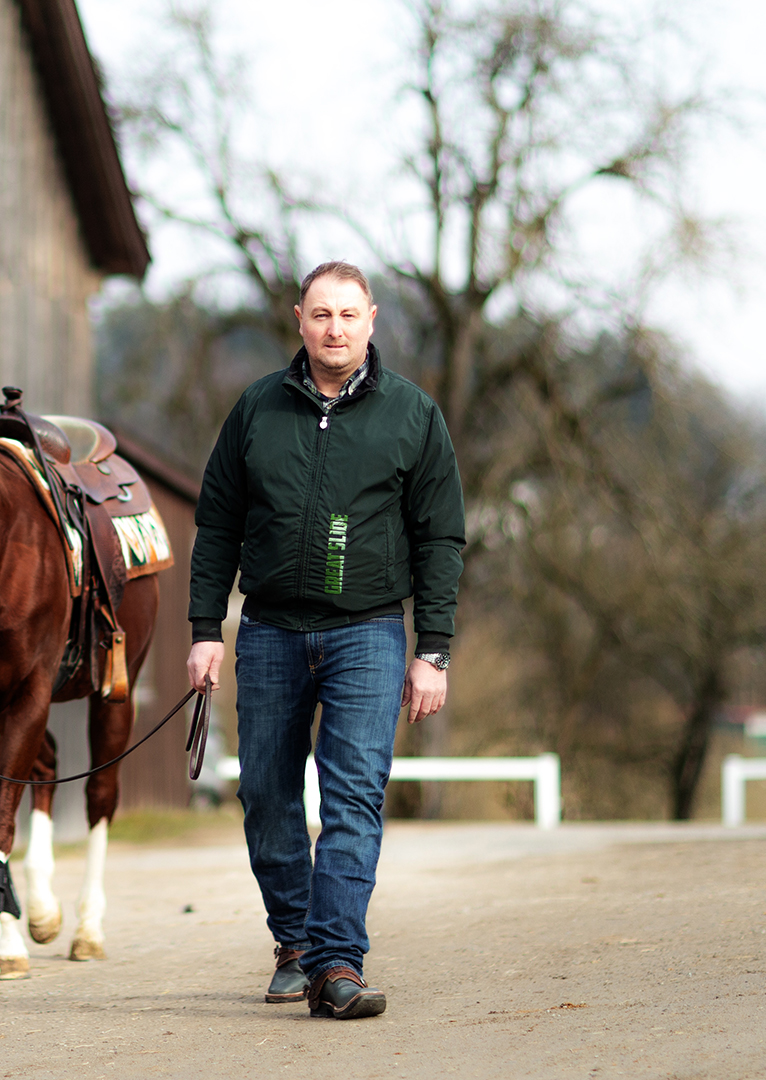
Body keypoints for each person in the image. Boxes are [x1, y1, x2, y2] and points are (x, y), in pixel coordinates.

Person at [187, 260, 464, 1019]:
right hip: (270, 629)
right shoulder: (256, 410)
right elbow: (216, 526)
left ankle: (338, 961)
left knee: (351, 796)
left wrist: (432, 649)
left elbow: (441, 537)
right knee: (266, 795)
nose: (334, 328)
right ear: (299, 321)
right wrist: (205, 629)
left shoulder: (412, 414)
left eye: (348, 314)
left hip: (368, 631)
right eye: (320, 314)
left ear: (372, 318)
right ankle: (296, 945)